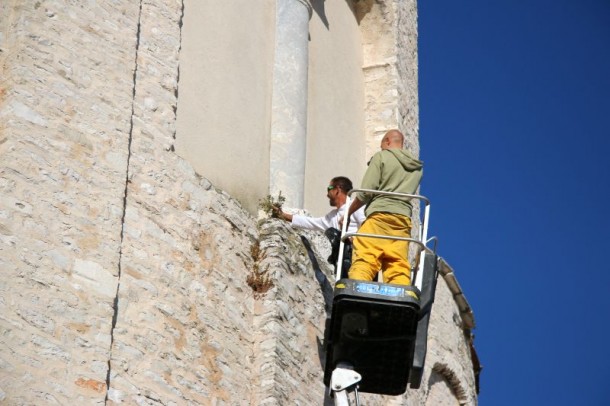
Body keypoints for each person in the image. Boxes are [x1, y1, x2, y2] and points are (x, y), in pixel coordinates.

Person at [343, 129, 423, 285]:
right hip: (403, 220)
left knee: (366, 254)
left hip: (380, 215)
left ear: (387, 141)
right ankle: (399, 292)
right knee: (397, 262)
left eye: (382, 146)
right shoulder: (417, 168)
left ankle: (358, 288)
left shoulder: (382, 157)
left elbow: (366, 192)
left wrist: (348, 213)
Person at [273, 176, 365, 234]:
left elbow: (366, 225)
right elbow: (311, 223)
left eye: (329, 188)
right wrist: (283, 215)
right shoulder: (332, 216)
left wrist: (354, 239)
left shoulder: (356, 206)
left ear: (337, 189)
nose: (327, 194)